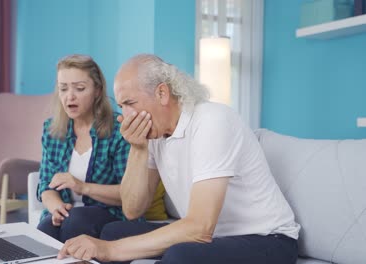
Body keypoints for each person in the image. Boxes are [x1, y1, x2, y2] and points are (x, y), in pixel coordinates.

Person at [57, 54, 301, 264]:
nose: (126, 116)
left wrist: (109, 251)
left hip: (269, 239)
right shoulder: (156, 134)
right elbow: (133, 210)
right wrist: (138, 149)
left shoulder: (211, 121)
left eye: (130, 103)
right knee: (113, 232)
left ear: (162, 93)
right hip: (219, 236)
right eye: (122, 106)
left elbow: (200, 228)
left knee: (180, 257)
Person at [36, 54, 130, 243]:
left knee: (76, 222)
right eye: (63, 89)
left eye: (79, 88)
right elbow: (46, 185)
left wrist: (82, 187)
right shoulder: (51, 130)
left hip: (110, 214)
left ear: (97, 90)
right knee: (46, 227)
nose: (69, 96)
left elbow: (129, 195)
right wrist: (57, 208)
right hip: (70, 215)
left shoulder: (119, 130)